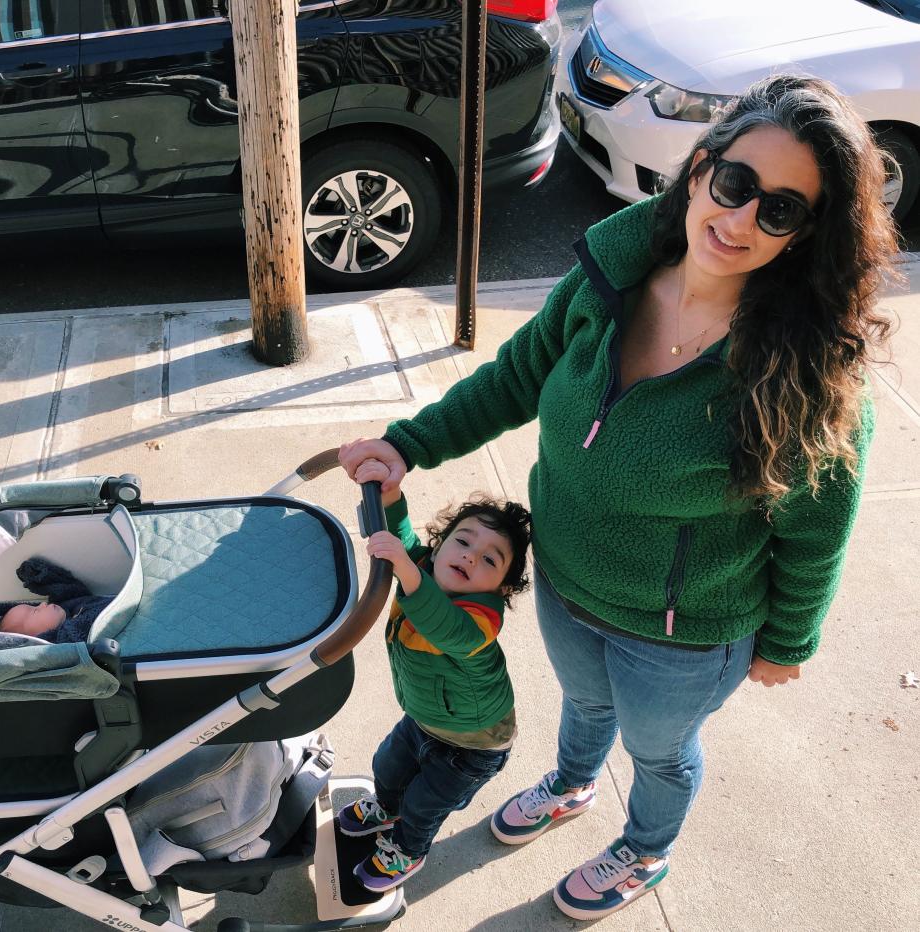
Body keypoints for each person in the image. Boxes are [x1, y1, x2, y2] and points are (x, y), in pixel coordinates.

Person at [339, 74, 897, 919]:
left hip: (681, 638)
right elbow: (516, 376)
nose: (742, 218)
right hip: (567, 586)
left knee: (660, 753)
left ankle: (645, 849)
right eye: (737, 185)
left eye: (780, 210)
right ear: (704, 169)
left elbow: (817, 532)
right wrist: (410, 444)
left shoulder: (808, 370)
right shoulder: (612, 278)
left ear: (808, 234)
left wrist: (789, 642)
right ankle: (569, 786)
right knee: (583, 703)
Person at [337, 457, 532, 892]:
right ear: (439, 543)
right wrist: (388, 497)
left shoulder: (480, 620)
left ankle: (408, 851)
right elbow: (400, 538)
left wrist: (406, 572)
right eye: (463, 541)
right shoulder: (422, 566)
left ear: (500, 587)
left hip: (475, 741)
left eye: (489, 560)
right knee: (387, 766)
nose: (470, 555)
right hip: (424, 714)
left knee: (424, 804)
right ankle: (385, 808)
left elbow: (446, 630)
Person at [0, 556, 113, 645]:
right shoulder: (61, 641)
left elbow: (67, 587)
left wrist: (40, 575)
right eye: (34, 611)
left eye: (35, 606)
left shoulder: (66, 605)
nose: (42, 604)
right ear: (33, 637)